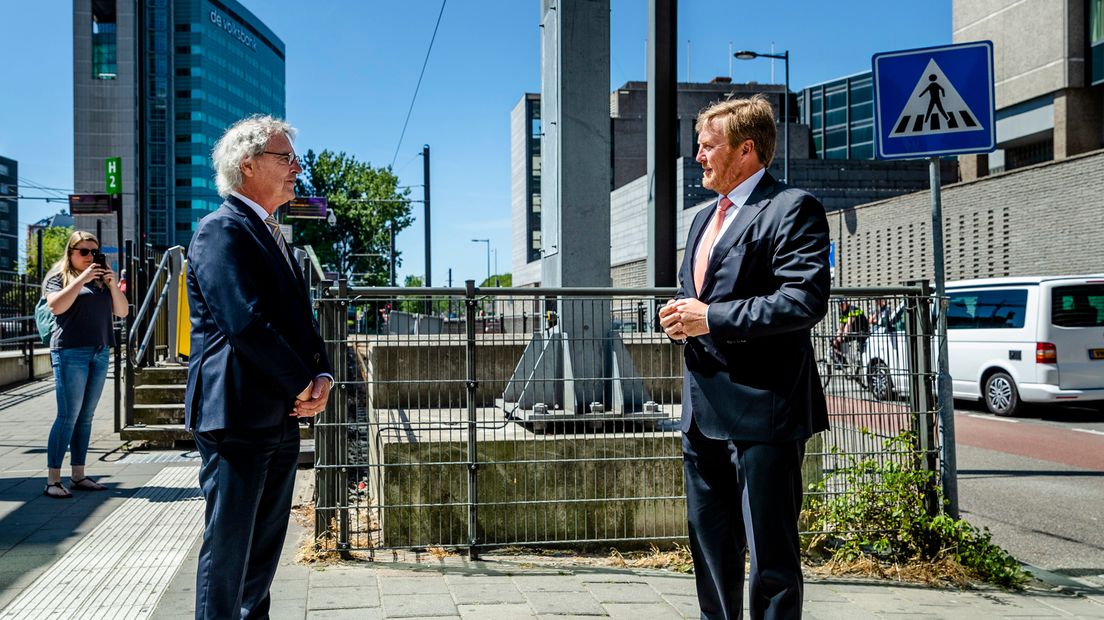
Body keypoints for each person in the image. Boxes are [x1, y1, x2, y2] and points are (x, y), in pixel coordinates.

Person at [658, 94, 830, 619]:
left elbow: (802, 301)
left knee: (772, 560)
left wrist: (710, 317)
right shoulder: (701, 221)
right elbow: (700, 295)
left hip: (764, 414)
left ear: (746, 150)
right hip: (702, 415)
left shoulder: (792, 208)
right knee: (711, 553)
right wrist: (675, 321)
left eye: (708, 147)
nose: (699, 157)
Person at [185, 115, 333, 619]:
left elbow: (299, 319)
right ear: (247, 165)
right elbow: (243, 322)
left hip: (277, 414)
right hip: (237, 415)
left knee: (262, 559)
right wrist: (300, 383)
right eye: (284, 157)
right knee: (229, 554)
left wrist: (323, 375)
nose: (296, 168)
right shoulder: (220, 230)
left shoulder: (273, 234)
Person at [42, 231, 129, 498]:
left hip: (100, 351)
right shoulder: (59, 277)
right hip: (70, 352)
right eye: (84, 252)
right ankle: (53, 480)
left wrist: (112, 284)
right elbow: (56, 307)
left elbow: (122, 311)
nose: (91, 257)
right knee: (68, 416)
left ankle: (78, 474)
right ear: (71, 253)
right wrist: (81, 279)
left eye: (95, 252)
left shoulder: (103, 282)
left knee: (86, 417)